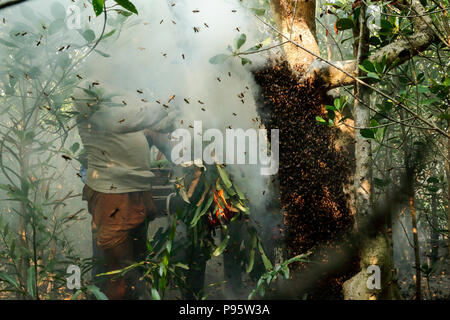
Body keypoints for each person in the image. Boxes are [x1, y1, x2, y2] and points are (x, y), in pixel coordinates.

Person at [73, 80, 176, 299]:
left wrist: (182, 106)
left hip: (135, 190)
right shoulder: (87, 89)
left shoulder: (126, 88)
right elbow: (122, 120)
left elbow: (157, 125)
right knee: (116, 273)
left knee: (136, 264)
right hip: (112, 194)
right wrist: (166, 103)